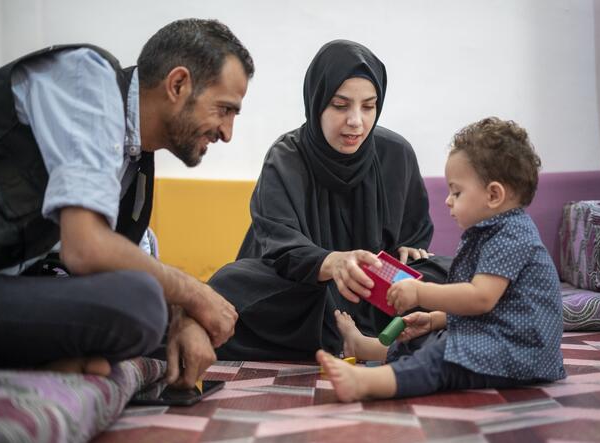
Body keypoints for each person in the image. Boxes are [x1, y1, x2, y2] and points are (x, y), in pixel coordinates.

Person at [0, 19, 254, 388]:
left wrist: (183, 316)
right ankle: (60, 360)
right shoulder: (87, 79)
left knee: (156, 313)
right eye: (224, 109)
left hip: (9, 287)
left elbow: (132, 260)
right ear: (178, 84)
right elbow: (88, 248)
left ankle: (63, 359)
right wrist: (195, 294)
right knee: (140, 303)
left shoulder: (134, 163)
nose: (227, 133)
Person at [209, 40, 435, 361]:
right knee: (229, 283)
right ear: (316, 103)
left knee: (453, 277)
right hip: (311, 292)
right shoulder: (286, 157)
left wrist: (411, 247)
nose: (356, 121)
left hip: (377, 295)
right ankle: (374, 341)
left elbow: (415, 228)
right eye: (341, 105)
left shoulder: (396, 154)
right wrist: (333, 264)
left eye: (368, 106)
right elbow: (281, 246)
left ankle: (350, 338)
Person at [317, 117, 566, 402]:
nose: (448, 200)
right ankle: (366, 348)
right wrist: (437, 319)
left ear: (494, 194)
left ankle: (368, 382)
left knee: (441, 356)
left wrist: (421, 292)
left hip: (520, 352)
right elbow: (495, 308)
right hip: (499, 336)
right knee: (424, 338)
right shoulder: (490, 232)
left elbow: (481, 298)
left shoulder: (512, 234)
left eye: (456, 192)